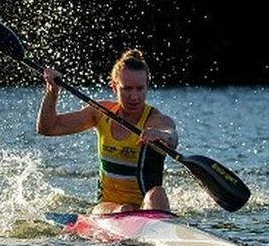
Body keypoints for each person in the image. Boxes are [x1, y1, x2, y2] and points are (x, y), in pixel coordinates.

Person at [36, 49, 178, 214]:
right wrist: (52, 92)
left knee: (157, 194)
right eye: (127, 89)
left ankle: (161, 226)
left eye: (140, 89)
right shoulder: (100, 112)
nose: (134, 96)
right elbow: (47, 128)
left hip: (147, 206)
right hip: (108, 207)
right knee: (124, 209)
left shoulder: (156, 120)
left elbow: (172, 137)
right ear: (114, 87)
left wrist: (162, 135)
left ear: (147, 86)